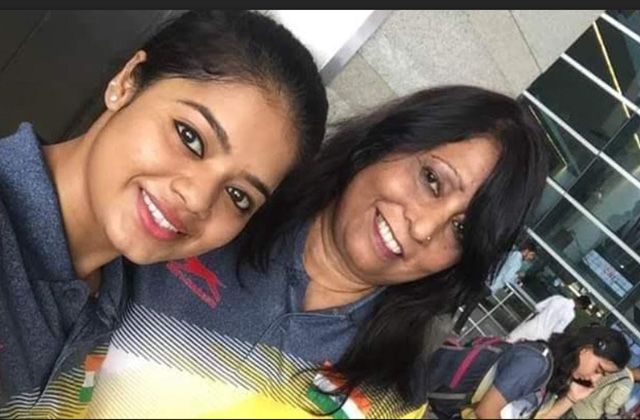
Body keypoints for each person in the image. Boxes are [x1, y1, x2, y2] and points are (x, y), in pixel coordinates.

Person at [85, 85, 549, 419]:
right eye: (432, 180)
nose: (424, 228)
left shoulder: (392, 397)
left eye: (463, 230)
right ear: (384, 143)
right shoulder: (207, 220)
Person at [0, 10, 328, 418]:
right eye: (191, 138)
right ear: (127, 82)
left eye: (239, 196)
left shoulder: (111, 298)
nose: (197, 199)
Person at [425, 326, 631, 419]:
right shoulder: (535, 362)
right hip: (424, 399)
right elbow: (486, 411)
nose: (595, 379)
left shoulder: (552, 373)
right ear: (586, 349)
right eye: (598, 370)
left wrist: (571, 398)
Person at [507, 295, 592, 343]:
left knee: (508, 342)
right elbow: (557, 330)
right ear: (580, 306)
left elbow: (538, 307)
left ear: (577, 297)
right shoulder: (571, 315)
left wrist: (544, 314)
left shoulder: (557, 298)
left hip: (532, 325)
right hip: (541, 337)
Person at [566, 366, 634, 419]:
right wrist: (619, 412)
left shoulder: (617, 368)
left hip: (573, 402)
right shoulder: (627, 385)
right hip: (584, 414)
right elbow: (609, 409)